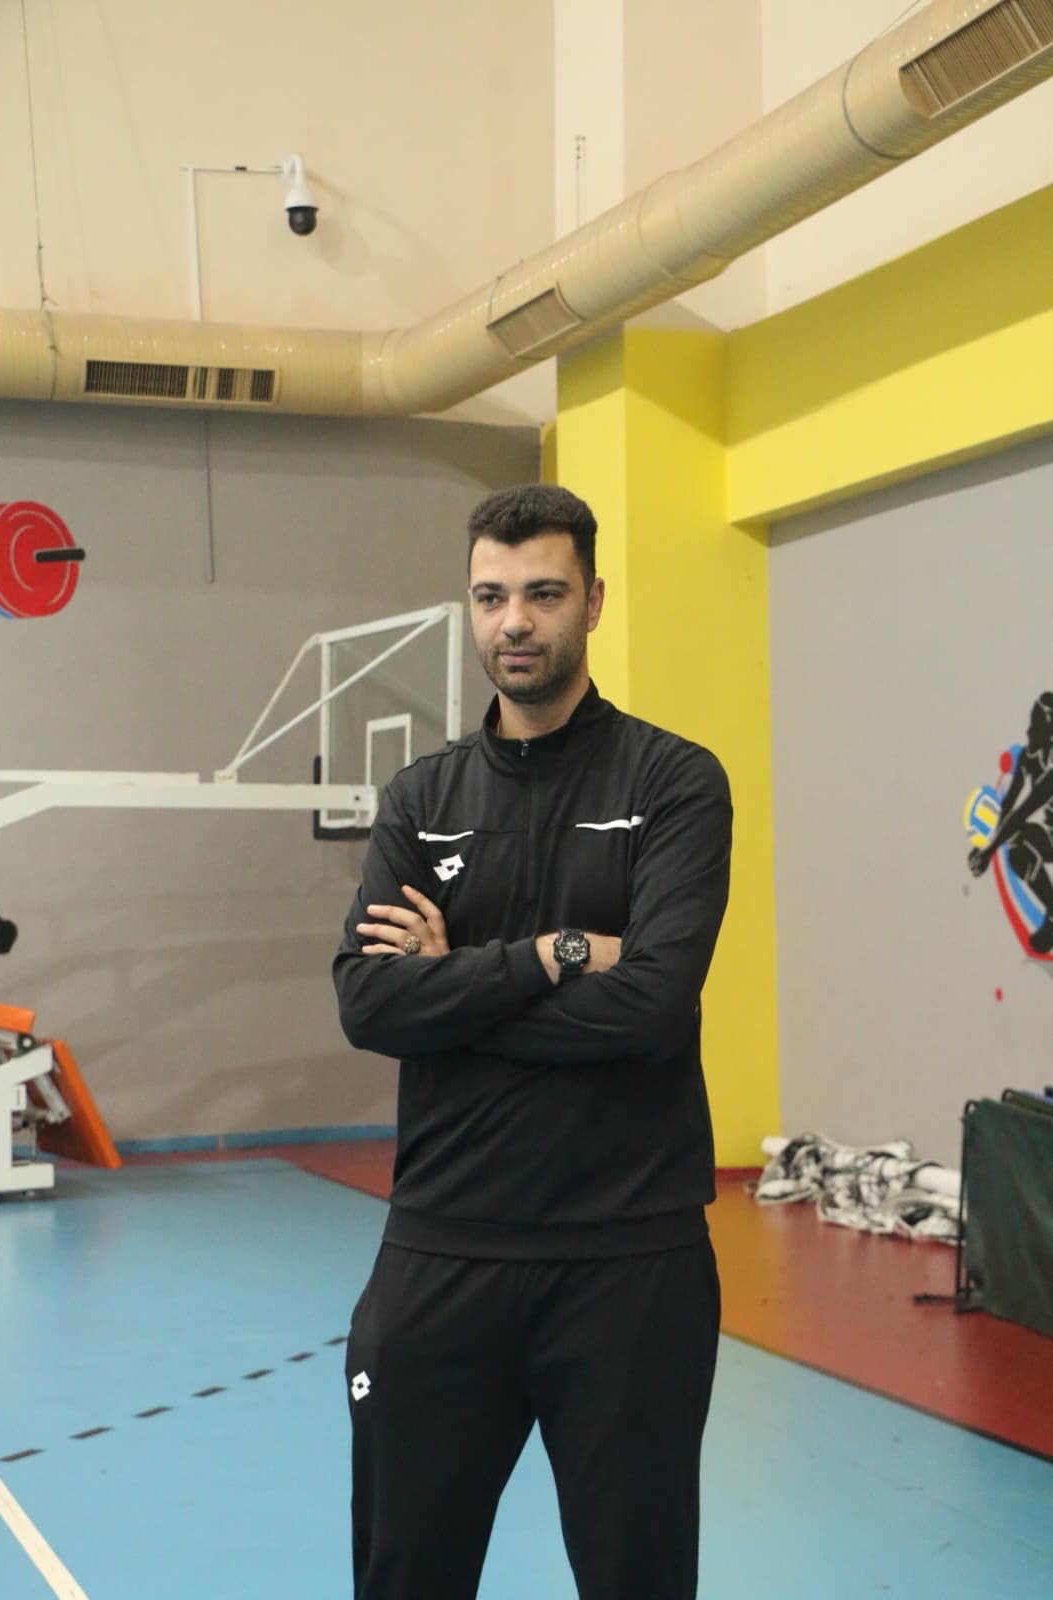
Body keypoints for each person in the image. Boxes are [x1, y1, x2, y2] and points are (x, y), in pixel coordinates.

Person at [332, 483, 732, 1599]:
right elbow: (368, 1004)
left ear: (592, 603)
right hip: (442, 1252)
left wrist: (452, 984)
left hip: (629, 1263)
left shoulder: (673, 782)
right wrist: (554, 954)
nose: (515, 621)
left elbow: (652, 1005)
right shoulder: (422, 798)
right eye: (491, 596)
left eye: (544, 594)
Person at [969, 691, 1053, 954]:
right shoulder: (1029, 757)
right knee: (1016, 845)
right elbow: (1009, 806)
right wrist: (985, 844)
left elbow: (1025, 810)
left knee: (1016, 835)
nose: (1028, 731)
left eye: (1036, 725)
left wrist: (988, 851)